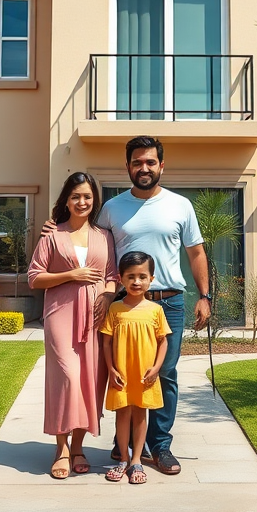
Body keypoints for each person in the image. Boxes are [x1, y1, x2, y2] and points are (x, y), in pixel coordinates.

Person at [94, 136, 210, 475]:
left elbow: (196, 253)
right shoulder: (112, 208)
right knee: (123, 374)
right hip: (122, 305)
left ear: (161, 165)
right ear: (127, 166)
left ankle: (160, 448)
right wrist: (54, 227)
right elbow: (96, 250)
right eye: (137, 162)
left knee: (164, 374)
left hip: (168, 302)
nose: (143, 168)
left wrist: (204, 296)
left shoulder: (180, 205)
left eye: (150, 162)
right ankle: (127, 445)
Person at [28, 171, 119, 480]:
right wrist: (71, 275)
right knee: (66, 376)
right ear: (66, 200)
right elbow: (34, 276)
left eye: (88, 196)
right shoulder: (53, 235)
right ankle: (61, 447)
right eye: (76, 196)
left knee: (90, 380)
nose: (82, 201)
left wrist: (106, 297)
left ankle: (78, 447)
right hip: (60, 313)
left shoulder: (103, 236)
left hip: (95, 315)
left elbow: (113, 275)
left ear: (95, 201)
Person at [101, 251, 170, 485]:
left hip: (144, 374)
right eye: (131, 276)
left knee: (141, 415)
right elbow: (107, 342)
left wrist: (157, 367)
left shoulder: (156, 310)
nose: (136, 282)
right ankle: (122, 458)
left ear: (151, 278)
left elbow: (163, 341)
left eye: (142, 276)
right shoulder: (115, 309)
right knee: (122, 415)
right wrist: (111, 369)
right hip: (121, 373)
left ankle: (137, 460)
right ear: (121, 278)